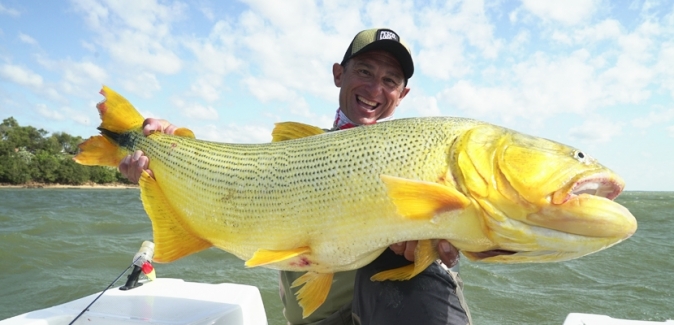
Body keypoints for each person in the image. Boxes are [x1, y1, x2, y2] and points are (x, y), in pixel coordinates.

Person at [118, 28, 472, 325]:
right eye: (364, 71)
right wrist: (169, 147)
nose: (375, 88)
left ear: (402, 94)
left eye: (390, 80)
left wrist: (441, 245)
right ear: (339, 74)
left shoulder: (417, 164)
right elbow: (231, 176)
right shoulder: (298, 149)